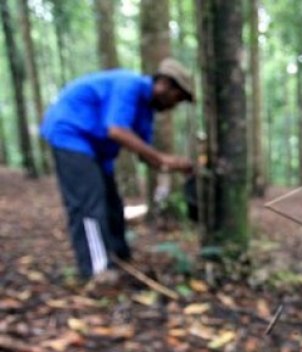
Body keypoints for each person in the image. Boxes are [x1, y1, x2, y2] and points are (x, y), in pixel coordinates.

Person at [41, 58, 194, 281]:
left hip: (98, 151)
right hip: (71, 134)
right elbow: (116, 130)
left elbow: (146, 154)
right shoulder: (129, 85)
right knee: (88, 205)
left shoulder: (145, 112)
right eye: (177, 97)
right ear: (164, 84)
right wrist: (161, 157)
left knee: (113, 205)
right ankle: (97, 271)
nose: (175, 105)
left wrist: (179, 165)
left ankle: (120, 257)